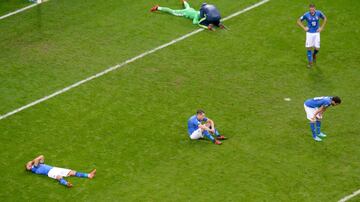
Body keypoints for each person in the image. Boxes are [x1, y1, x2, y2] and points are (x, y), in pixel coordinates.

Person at [25, 155, 96, 188]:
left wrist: (31, 162)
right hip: (50, 173)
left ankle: (88, 175)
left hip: (55, 168)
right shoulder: (34, 168)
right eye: (28, 164)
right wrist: (32, 162)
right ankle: (66, 184)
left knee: (72, 172)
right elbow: (37, 159)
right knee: (59, 177)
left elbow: (42, 156)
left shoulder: (39, 164)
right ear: (29, 167)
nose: (29, 163)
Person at [150, 1, 226, 31]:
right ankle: (158, 7)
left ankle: (184, 1)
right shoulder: (198, 16)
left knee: (187, 7)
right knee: (172, 11)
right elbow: (194, 22)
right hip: (185, 13)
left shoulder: (200, 12)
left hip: (190, 10)